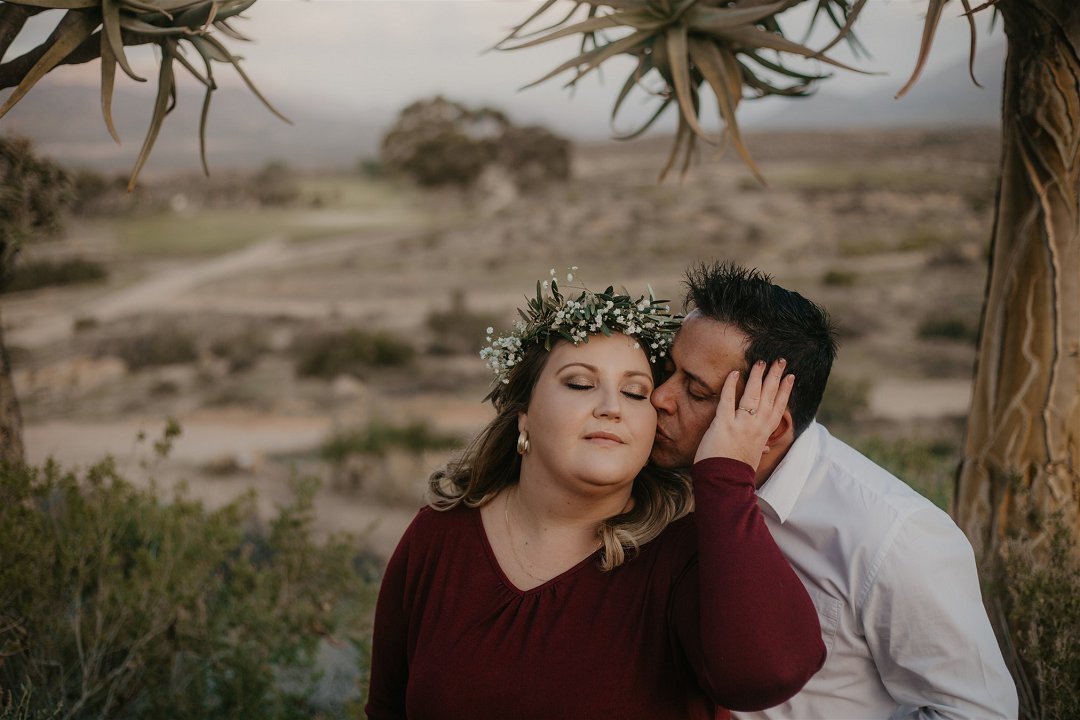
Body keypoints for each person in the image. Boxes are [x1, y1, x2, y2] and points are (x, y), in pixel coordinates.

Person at [365, 273, 825, 720]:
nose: (611, 406)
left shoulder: (684, 560)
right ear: (523, 413)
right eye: (581, 384)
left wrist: (725, 475)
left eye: (635, 392)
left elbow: (766, 675)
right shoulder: (439, 536)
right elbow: (388, 708)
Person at [650, 261, 1018, 719]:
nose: (659, 398)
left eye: (697, 391)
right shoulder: (655, 481)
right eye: (667, 371)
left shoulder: (893, 536)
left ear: (770, 428)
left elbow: (974, 713)